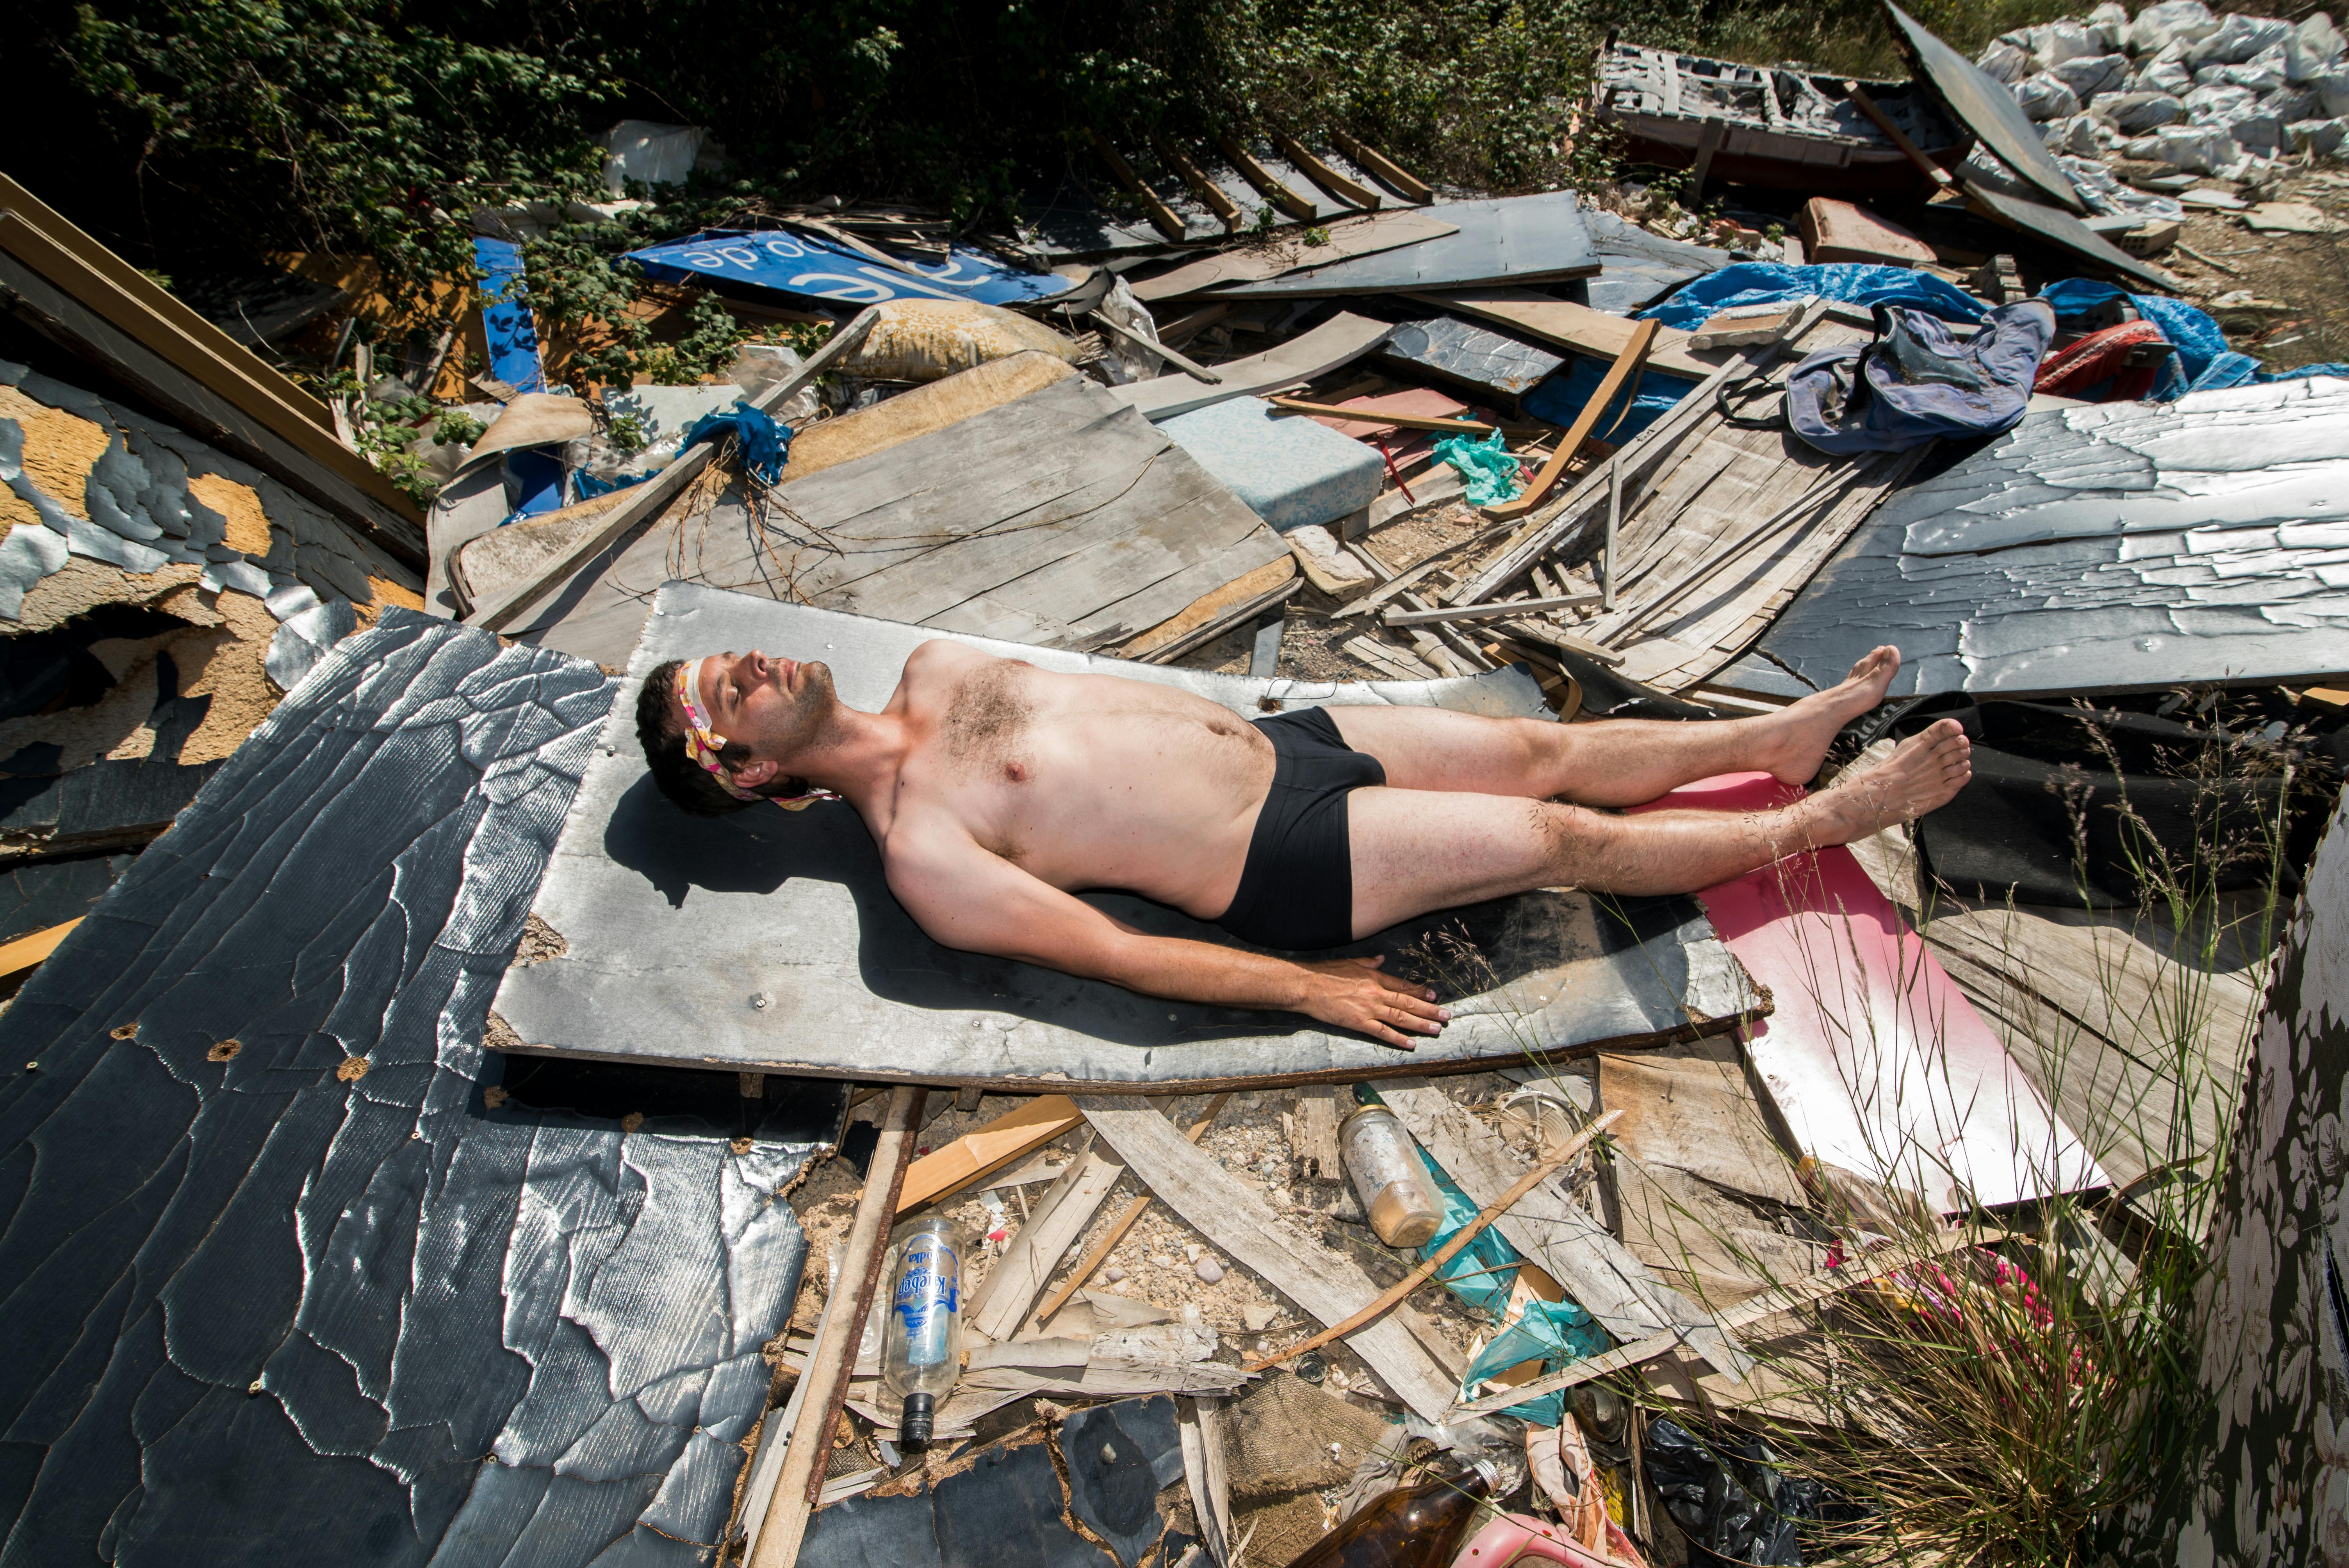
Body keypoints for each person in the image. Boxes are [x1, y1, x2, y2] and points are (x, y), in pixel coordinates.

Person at [636, 641, 1969, 1048]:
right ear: (751, 772)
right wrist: (1305, 989)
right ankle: (1812, 822)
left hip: (1289, 736)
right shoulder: (925, 853)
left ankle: (1779, 741)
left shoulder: (934, 663)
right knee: (1555, 834)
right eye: (723, 694)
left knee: (1548, 749)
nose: (746, 666)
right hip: (1283, 856)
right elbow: (1116, 953)